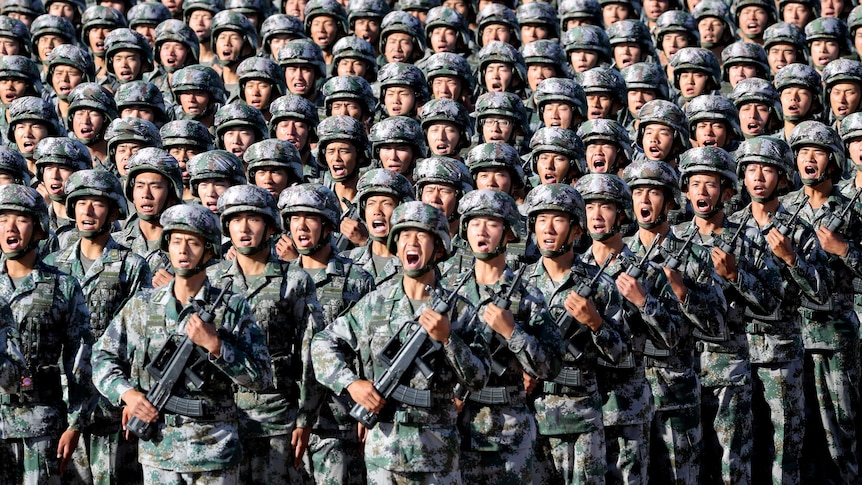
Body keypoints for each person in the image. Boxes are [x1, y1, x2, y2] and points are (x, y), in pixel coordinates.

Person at [91, 203, 272, 484]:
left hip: (214, 452)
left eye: (193, 242)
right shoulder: (142, 305)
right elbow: (102, 358)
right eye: (176, 242)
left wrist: (217, 347)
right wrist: (128, 394)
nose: (183, 250)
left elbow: (261, 377)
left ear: (210, 249)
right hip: (159, 453)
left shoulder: (231, 307)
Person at [312, 201, 490, 484]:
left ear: (439, 248)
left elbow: (479, 378)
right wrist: (351, 384)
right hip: (385, 449)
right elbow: (322, 343)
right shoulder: (375, 303)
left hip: (438, 451)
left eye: (421, 235)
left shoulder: (460, 311)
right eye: (404, 235)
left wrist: (448, 339)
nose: (412, 242)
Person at [208, 185, 325, 484]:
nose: (244, 228)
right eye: (236, 220)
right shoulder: (211, 279)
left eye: (254, 219)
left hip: (275, 416)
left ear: (271, 226)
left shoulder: (294, 279)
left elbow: (310, 350)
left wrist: (306, 417)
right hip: (219, 416)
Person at [45, 169, 152, 485]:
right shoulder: (54, 265)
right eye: (80, 203)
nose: (87, 212)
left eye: (97, 203)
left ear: (114, 210)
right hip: (64, 399)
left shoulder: (131, 266)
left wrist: (133, 393)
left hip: (110, 401)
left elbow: (139, 338)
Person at [450, 189, 563, 484]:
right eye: (474, 223)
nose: (482, 231)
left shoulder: (527, 296)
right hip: (455, 424)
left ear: (509, 232)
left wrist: (512, 332)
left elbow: (549, 366)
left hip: (509, 428)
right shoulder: (448, 292)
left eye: (492, 223)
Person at [279, 182, 376, 485]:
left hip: (337, 419)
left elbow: (370, 349)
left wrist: (366, 408)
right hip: (284, 417)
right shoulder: (278, 279)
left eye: (311, 218)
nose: (302, 226)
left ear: (328, 224)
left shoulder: (356, 280)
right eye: (295, 218)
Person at [0, 184, 93, 484]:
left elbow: (80, 359)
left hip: (41, 423)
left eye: (21, 219)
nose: (10, 228)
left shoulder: (63, 287)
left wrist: (76, 423)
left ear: (39, 229)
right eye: (2, 219)